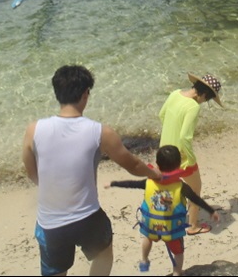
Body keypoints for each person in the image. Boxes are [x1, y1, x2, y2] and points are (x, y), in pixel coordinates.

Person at [22, 64, 161, 277]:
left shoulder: (34, 130)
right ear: (86, 94)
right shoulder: (100, 131)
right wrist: (154, 173)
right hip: (87, 218)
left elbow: (32, 173)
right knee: (103, 255)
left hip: (50, 222)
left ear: (57, 93)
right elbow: (132, 165)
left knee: (55, 270)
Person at [105, 145, 220, 276]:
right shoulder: (181, 187)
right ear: (178, 167)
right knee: (178, 252)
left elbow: (131, 184)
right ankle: (177, 272)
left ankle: (144, 259)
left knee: (147, 239)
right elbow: (196, 199)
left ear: (157, 165)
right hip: (171, 229)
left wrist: (114, 183)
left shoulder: (148, 182)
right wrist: (211, 211)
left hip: (151, 225)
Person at [159, 73, 222, 236]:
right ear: (205, 95)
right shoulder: (193, 107)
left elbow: (161, 115)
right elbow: (185, 138)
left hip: (163, 152)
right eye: (207, 99)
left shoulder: (174, 94)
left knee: (169, 188)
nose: (204, 102)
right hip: (180, 158)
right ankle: (193, 226)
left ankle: (163, 219)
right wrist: (191, 160)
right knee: (195, 189)